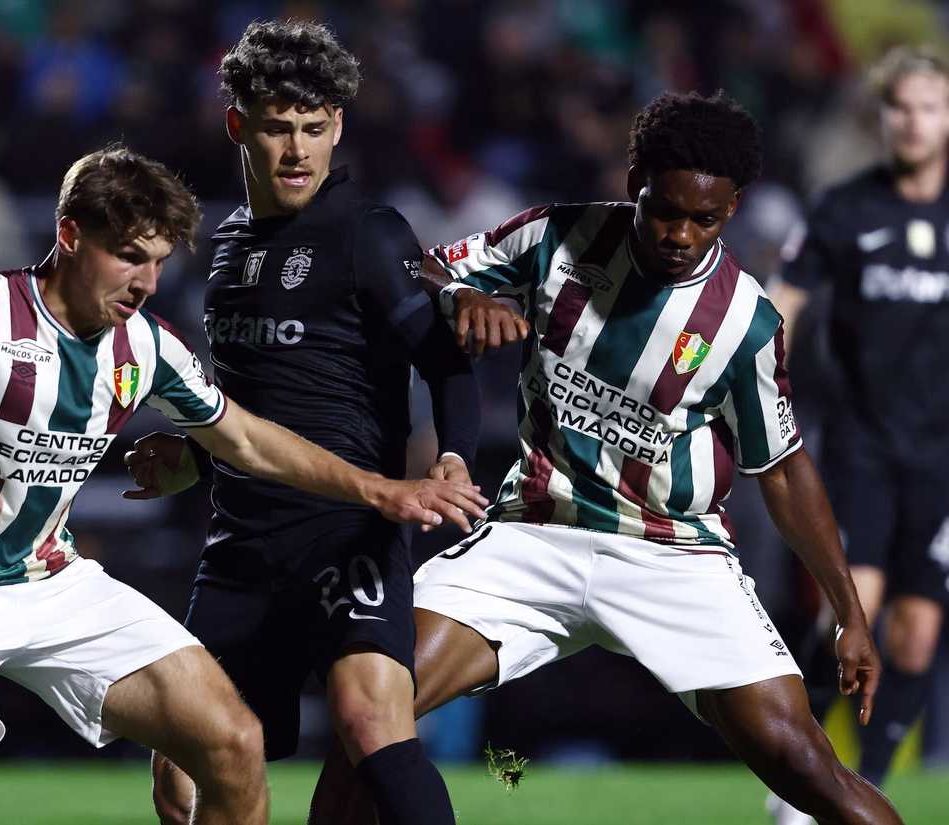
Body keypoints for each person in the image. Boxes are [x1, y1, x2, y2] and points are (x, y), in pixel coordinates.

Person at [0, 144, 486, 825]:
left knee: (234, 742)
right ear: (70, 234)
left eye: (158, 260)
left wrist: (379, 489)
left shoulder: (144, 345)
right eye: (128, 255)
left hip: (52, 581)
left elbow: (248, 439)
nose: (145, 281)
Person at [303, 89, 906, 825]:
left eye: (704, 218)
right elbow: (416, 269)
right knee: (369, 704)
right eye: (665, 210)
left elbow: (781, 468)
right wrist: (460, 295)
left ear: (734, 210)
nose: (681, 233)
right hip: (532, 536)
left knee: (808, 769)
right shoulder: (556, 239)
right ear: (634, 186)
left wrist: (850, 613)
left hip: (672, 556)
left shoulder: (745, 321)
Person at [126, 21, 481, 825]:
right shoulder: (223, 249)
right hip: (242, 546)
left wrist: (454, 455)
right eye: (280, 128)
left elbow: (447, 361)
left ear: (338, 128)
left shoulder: (369, 232)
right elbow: (255, 411)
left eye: (314, 128)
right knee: (184, 768)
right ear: (238, 125)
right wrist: (192, 456)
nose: (297, 150)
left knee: (370, 718)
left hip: (349, 529)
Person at [770, 45, 949, 811]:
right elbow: (782, 301)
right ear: (881, 116)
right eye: (899, 107)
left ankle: (867, 789)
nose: (913, 121)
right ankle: (796, 777)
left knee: (919, 634)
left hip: (948, 451)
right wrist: (755, 384)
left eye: (928, 107)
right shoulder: (843, 208)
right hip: (859, 443)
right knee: (849, 613)